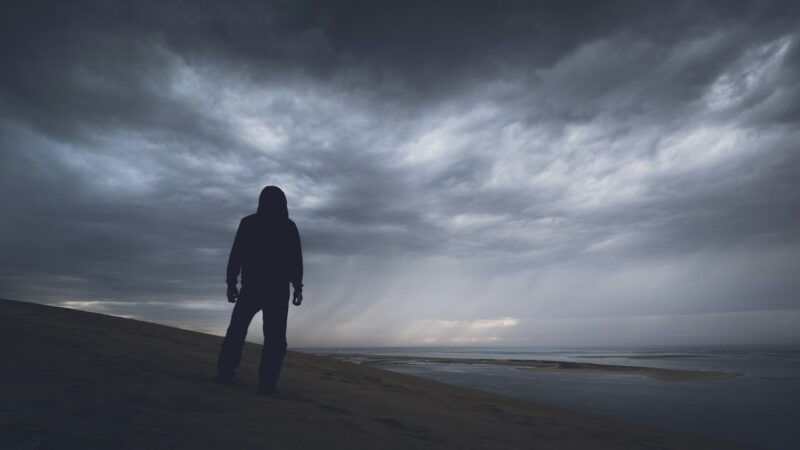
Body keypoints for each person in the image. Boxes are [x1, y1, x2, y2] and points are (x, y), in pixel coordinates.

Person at [215, 185, 303, 395]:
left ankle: (227, 373)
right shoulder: (286, 226)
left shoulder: (251, 223)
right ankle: (266, 383)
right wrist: (297, 287)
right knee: (272, 338)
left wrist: (231, 283)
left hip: (256, 287)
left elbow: (236, 255)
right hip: (272, 289)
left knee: (239, 332)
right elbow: (295, 261)